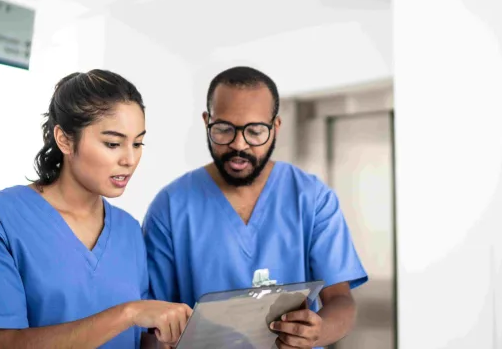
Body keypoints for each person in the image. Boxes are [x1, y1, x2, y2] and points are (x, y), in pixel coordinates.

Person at [0, 69, 191, 349]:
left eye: (138, 143)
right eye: (113, 143)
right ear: (64, 139)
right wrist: (129, 313)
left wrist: (176, 338)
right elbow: (5, 345)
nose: (130, 159)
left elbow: (137, 339)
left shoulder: (128, 229)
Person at [142, 66, 368, 349]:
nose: (239, 144)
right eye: (224, 129)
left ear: (275, 128)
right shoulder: (171, 207)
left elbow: (341, 301)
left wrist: (316, 332)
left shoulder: (312, 198)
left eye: (255, 131)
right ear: (206, 122)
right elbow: (149, 325)